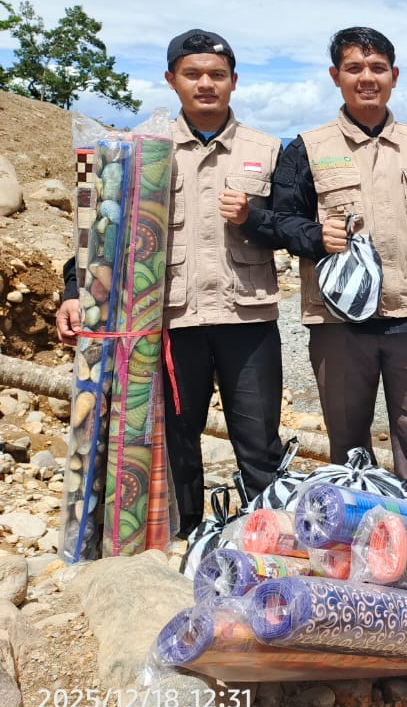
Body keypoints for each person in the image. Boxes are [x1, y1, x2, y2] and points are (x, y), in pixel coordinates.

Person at [56, 29, 286, 537]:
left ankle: (267, 541)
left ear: (234, 82)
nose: (206, 84)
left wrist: (254, 219)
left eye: (217, 75)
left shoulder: (269, 150)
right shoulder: (141, 150)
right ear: (171, 79)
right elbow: (99, 237)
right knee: (177, 437)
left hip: (247, 319)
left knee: (259, 439)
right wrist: (73, 293)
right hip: (169, 319)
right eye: (193, 74)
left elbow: (293, 228)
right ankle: (186, 538)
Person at [245, 27, 407, 481]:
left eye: (377, 68)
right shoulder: (306, 148)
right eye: (354, 68)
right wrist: (316, 235)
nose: (366, 77)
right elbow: (278, 219)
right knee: (348, 438)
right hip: (338, 322)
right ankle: (355, 524)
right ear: (336, 76)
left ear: (394, 75)